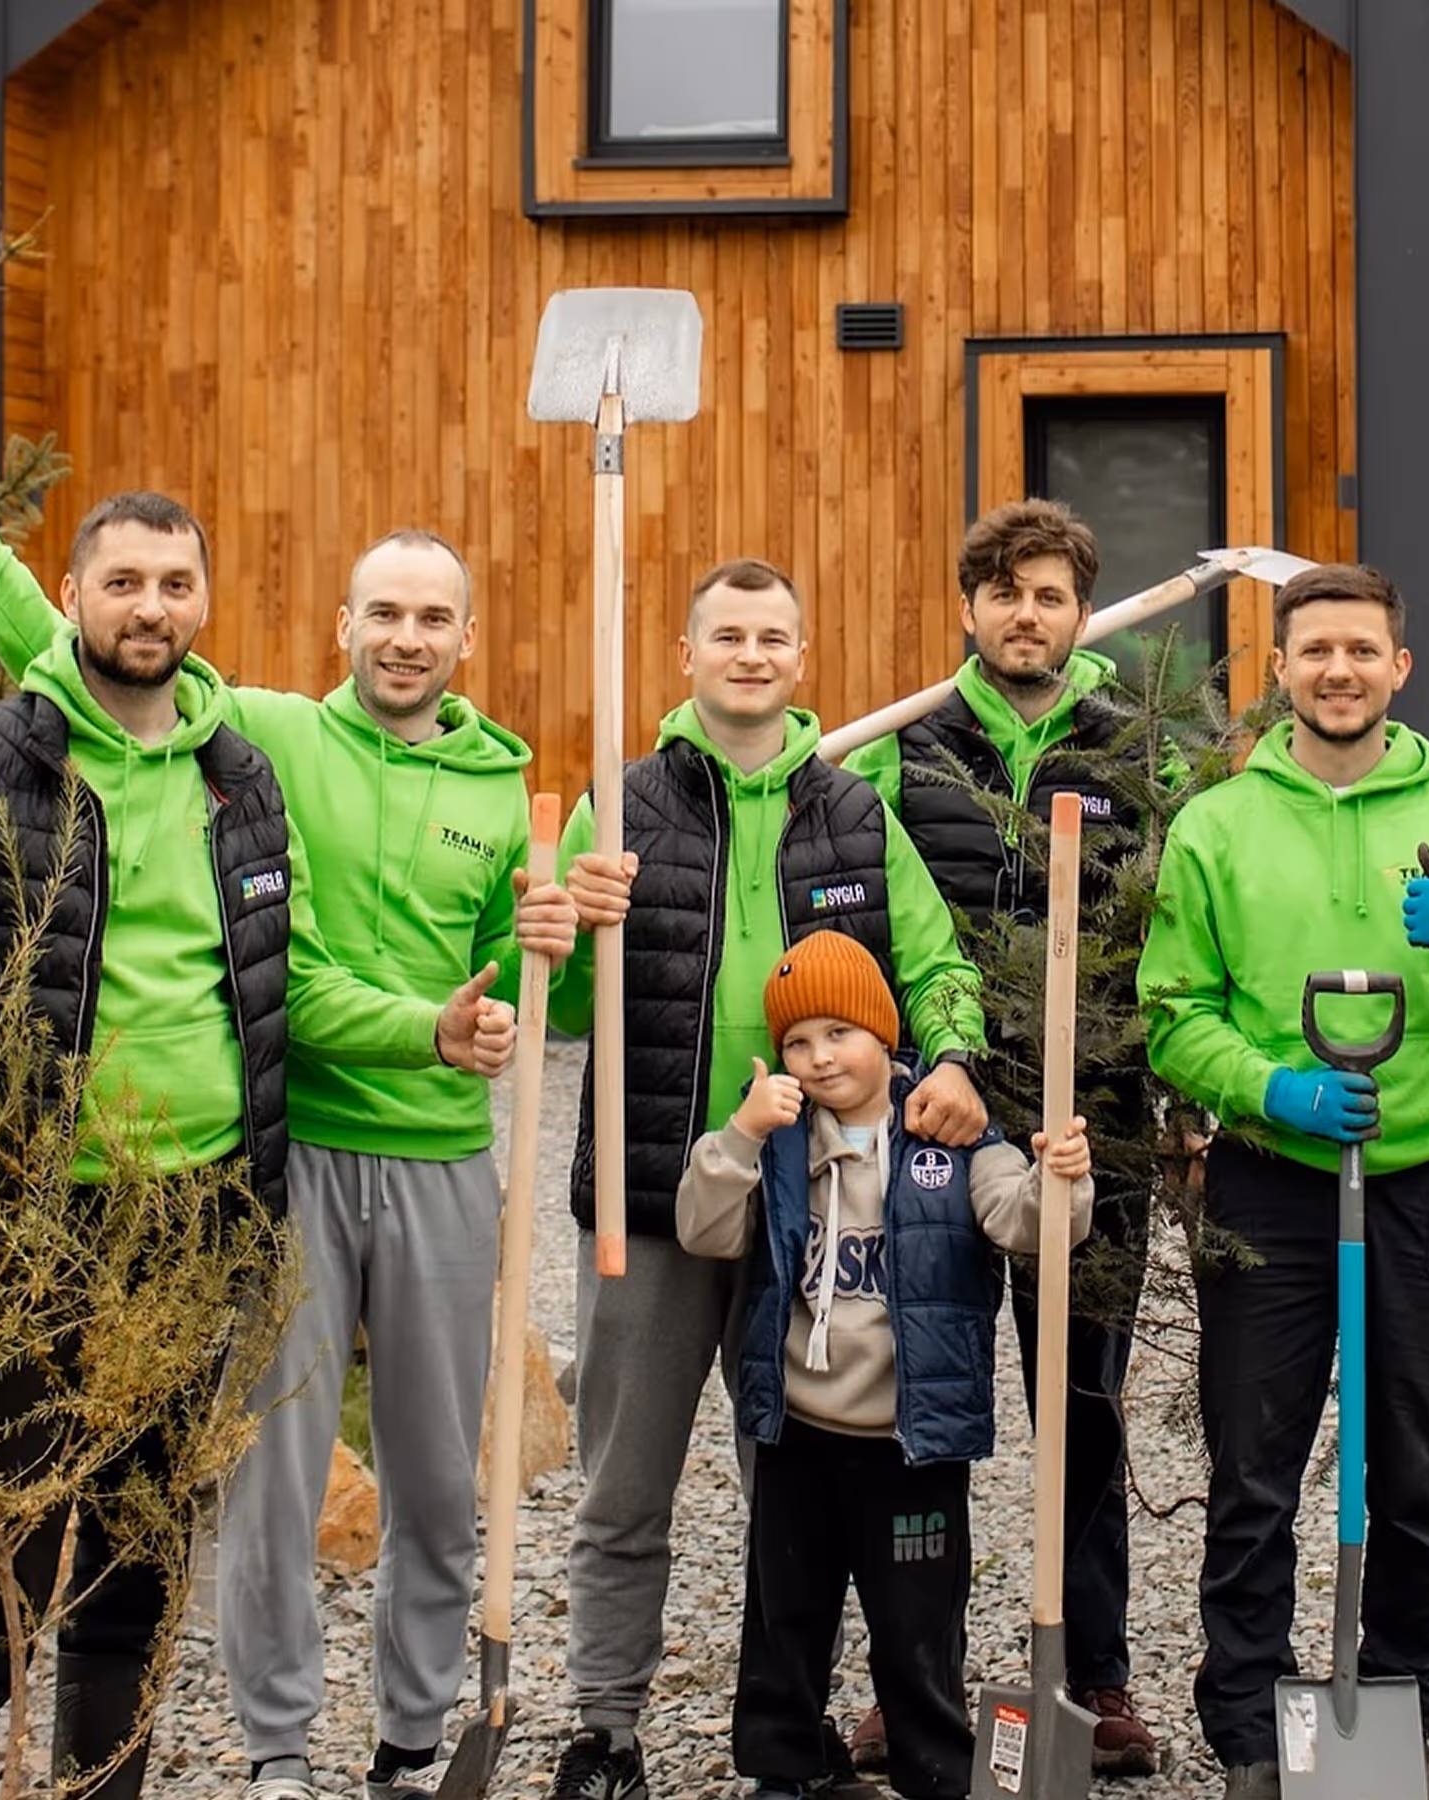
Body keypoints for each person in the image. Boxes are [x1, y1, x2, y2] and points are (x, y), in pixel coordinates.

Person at [0, 445, 580, 1800]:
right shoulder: (258, 738)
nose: (405, 636)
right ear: (342, 626)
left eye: (431, 615)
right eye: (382, 612)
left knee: (337, 1504)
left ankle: (395, 1741)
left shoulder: (471, 791)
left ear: (464, 635)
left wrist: (570, 928)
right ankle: (260, 1750)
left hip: (342, 1173)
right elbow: (90, 664)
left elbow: (515, 957)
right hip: (197, 1178)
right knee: (152, 1502)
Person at [545, 557, 991, 1800]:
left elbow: (939, 967)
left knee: (795, 1497)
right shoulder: (617, 808)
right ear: (685, 656)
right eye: (727, 635)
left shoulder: (855, 814)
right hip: (653, 1203)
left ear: (803, 660)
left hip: (816, 1213)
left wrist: (953, 1052)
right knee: (625, 1483)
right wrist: (573, 926)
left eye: (773, 637)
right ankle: (605, 1728)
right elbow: (564, 1003)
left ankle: (785, 1733)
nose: (750, 655)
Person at [1136, 562, 1429, 1800]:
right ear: (1279, 669)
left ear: (1400, 668)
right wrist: (1273, 1088)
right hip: (1272, 1181)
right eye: (1314, 650)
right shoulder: (1222, 824)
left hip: (1421, 1185)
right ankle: (1249, 1734)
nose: (1338, 670)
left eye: (1361, 650)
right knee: (1256, 1467)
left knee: (1415, 1466)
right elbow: (1174, 1014)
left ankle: (1395, 1722)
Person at [839, 497, 1163, 1773]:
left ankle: (1097, 1676)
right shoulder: (900, 748)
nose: (1027, 616)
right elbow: (862, 918)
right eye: (1005, 594)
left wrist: (1167, 1110)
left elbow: (1178, 928)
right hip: (935, 1116)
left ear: (1082, 616)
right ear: (968, 608)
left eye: (1050, 597)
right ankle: (910, 1681)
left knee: (1080, 1403)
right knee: (922, 1405)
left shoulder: (1140, 748)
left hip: (1101, 1129)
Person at [677, 931, 1095, 1800]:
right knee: (784, 1620)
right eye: (797, 1040)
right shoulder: (782, 1143)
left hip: (911, 1446)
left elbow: (1028, 1225)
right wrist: (742, 1137)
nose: (819, 1056)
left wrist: (1062, 1180)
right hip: (799, 1436)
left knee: (916, 1628)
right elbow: (704, 1229)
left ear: (884, 1033)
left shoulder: (950, 1137)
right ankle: (783, 1771)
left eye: (839, 1032)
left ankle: (934, 1771)